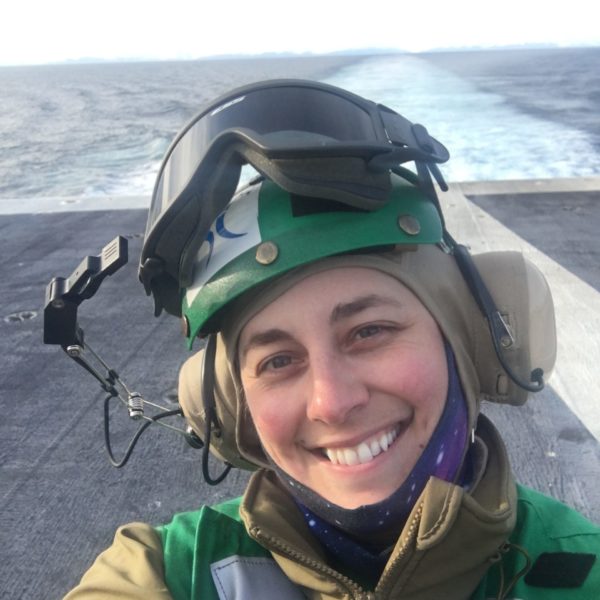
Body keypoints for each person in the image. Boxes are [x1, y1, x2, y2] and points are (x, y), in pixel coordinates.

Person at [65, 80, 599, 599]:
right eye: (277, 361)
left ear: (468, 336)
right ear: (227, 407)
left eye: (369, 332)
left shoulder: (583, 569)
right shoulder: (169, 571)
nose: (334, 403)